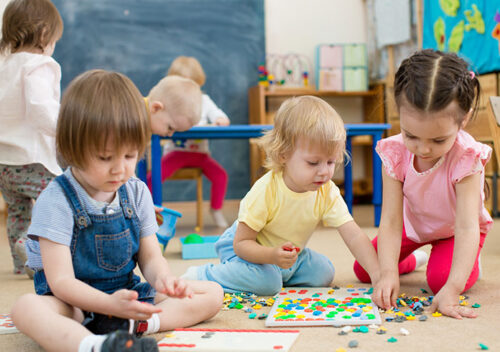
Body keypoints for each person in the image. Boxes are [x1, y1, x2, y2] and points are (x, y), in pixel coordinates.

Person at [11, 70, 223, 352]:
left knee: (212, 293)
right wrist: (107, 304)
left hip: (125, 297)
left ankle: (134, 327)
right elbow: (61, 283)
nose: (120, 168)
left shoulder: (135, 191)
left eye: (130, 155)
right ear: (73, 146)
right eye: (105, 157)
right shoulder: (55, 200)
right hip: (73, 305)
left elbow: (150, 258)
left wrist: (164, 280)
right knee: (26, 309)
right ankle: (95, 350)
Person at [181, 96, 381, 295]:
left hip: (286, 255)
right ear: (284, 154)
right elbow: (241, 244)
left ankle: (276, 274)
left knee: (324, 272)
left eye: (330, 162)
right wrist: (270, 256)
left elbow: (354, 236)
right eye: (313, 163)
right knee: (268, 284)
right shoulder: (266, 190)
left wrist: (378, 275)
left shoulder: (326, 190)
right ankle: (202, 275)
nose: (324, 172)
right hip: (246, 250)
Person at [354, 49, 493, 319]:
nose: (423, 149)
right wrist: (388, 272)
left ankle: (467, 261)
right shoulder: (394, 152)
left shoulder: (467, 157)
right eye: (411, 135)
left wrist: (453, 288)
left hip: (455, 231)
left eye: (438, 140)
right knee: (366, 268)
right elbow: (392, 221)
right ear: (400, 116)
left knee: (441, 281)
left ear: (463, 119)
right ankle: (416, 259)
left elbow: (467, 226)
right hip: (412, 227)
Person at [0, 0, 63, 276]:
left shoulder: (5, 64)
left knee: (17, 212)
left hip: (4, 161)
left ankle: (21, 261)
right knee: (59, 202)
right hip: (32, 159)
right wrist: (65, 129)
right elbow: (41, 108)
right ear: (45, 34)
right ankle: (45, 256)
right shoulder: (39, 64)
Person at [162, 56, 231, 228]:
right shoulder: (170, 101)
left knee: (220, 176)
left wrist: (221, 120)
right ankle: (149, 210)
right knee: (152, 177)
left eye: (193, 85)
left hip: (200, 155)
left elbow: (220, 116)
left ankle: (216, 209)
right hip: (176, 154)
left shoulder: (204, 100)